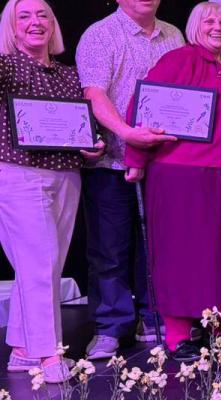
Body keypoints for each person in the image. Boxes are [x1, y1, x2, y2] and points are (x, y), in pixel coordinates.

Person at [123, 2, 221, 362]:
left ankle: (217, 328)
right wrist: (135, 161)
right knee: (184, 254)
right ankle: (177, 334)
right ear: (194, 26)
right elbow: (143, 110)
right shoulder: (179, 61)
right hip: (184, 175)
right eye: (209, 20)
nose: (217, 26)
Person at [0, 0, 102, 383]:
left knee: (43, 266)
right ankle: (48, 354)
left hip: (66, 174)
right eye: (23, 16)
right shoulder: (6, 66)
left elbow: (82, 126)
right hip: (18, 174)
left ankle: (24, 349)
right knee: (40, 263)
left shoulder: (68, 74)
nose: (35, 22)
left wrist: (94, 145)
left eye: (42, 14)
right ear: (10, 26)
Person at [76, 0, 183, 361]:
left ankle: (153, 317)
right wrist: (127, 133)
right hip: (111, 162)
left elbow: (182, 95)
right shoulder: (100, 35)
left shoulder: (174, 35)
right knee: (110, 250)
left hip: (162, 165)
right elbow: (94, 93)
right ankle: (111, 326)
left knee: (158, 246)